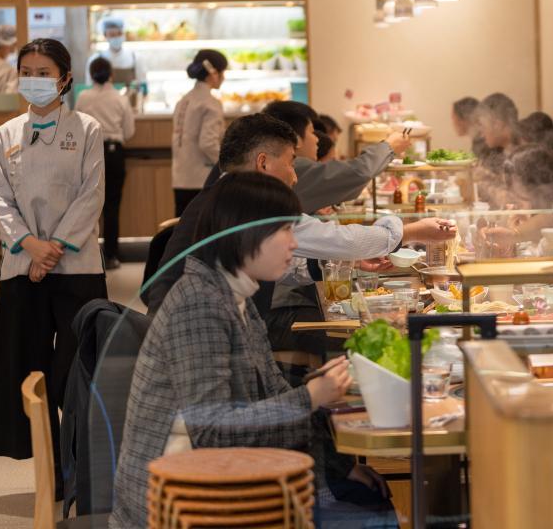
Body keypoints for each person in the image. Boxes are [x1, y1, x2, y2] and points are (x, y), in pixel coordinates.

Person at [113, 173, 394, 529]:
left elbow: (273, 391)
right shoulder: (199, 304)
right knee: (374, 519)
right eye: (286, 231)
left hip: (225, 475)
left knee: (374, 500)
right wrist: (310, 396)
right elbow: (211, 430)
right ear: (247, 234)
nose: (294, 244)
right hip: (179, 501)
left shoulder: (234, 293)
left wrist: (340, 465)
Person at [145, 113, 453, 316]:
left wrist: (339, 263)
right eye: (292, 162)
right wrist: (410, 232)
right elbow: (340, 239)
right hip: (193, 335)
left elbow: (287, 264)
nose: (294, 177)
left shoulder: (222, 193)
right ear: (263, 163)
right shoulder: (250, 203)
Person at [0, 39, 107, 474]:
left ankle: (84, 467)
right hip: (23, 267)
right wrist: (31, 246)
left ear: (65, 78)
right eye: (26, 72)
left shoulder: (87, 128)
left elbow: (92, 193)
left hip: (77, 265)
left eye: (43, 73)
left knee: (76, 369)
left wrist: (52, 247)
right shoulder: (6, 133)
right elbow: (0, 197)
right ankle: (51, 470)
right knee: (26, 369)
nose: (34, 80)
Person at [263, 101, 411, 214]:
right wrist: (390, 146)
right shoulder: (294, 168)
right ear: (295, 138)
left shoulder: (286, 166)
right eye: (312, 132)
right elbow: (357, 172)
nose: (317, 139)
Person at [75, 57, 136, 270]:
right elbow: (129, 131)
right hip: (113, 152)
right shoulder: (120, 98)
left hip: (89, 153)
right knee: (112, 205)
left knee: (88, 206)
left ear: (91, 75)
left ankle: (88, 256)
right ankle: (111, 256)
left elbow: (77, 126)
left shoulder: (83, 96)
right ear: (111, 74)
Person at [171, 49, 226, 216]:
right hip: (202, 179)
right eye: (223, 72)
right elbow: (207, 143)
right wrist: (227, 165)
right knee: (203, 228)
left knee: (182, 226)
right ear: (213, 73)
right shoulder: (210, 103)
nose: (224, 77)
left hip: (180, 177)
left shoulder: (183, 100)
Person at [85, 16, 140, 85]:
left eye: (119, 34)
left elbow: (142, 84)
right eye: (112, 35)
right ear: (105, 36)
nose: (116, 37)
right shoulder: (96, 60)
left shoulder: (134, 57)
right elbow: (89, 85)